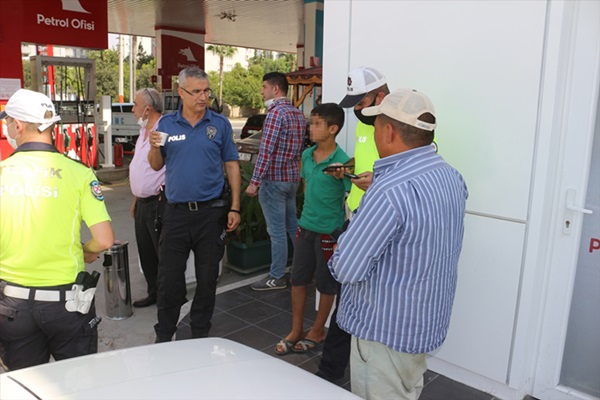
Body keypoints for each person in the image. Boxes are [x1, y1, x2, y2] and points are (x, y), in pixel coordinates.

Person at [329, 88, 468, 400]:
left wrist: (341, 249)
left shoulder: (390, 189)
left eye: (376, 126)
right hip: (423, 321)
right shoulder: (451, 177)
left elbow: (347, 268)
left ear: (388, 131)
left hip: (383, 332)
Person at [0, 89, 114, 370]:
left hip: (12, 305)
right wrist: (85, 251)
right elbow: (104, 240)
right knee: (77, 384)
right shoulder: (80, 173)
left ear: (17, 125)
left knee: (27, 384)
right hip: (68, 303)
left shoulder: (2, 171)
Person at [148, 66, 241, 342]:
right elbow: (155, 166)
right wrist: (154, 147)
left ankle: (200, 332)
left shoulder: (219, 124)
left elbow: (232, 166)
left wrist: (235, 207)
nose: (203, 97)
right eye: (197, 91)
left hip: (210, 215)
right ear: (181, 92)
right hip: (175, 214)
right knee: (168, 281)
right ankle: (164, 334)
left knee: (207, 278)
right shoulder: (165, 124)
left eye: (206, 91)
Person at [317, 67, 390, 383]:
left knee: (369, 304)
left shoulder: (401, 128)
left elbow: (413, 173)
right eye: (355, 103)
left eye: (362, 102)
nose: (358, 109)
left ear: (381, 96)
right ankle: (330, 373)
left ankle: (359, 374)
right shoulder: (368, 127)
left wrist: (377, 182)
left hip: (383, 227)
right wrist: (345, 169)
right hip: (358, 221)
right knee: (346, 302)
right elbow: (366, 161)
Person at [274, 103, 351, 355]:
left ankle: (318, 330)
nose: (311, 127)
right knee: (297, 280)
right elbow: (307, 188)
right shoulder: (307, 156)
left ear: (333, 129)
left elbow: (353, 199)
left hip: (329, 232)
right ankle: (296, 330)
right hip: (304, 228)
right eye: (311, 122)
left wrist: (344, 234)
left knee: (326, 284)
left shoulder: (343, 163)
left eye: (317, 123)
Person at [246, 72, 306, 291]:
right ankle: (302, 269)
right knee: (293, 227)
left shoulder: (275, 114)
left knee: (277, 231)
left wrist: (254, 181)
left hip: (273, 181)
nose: (261, 91)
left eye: (264, 87)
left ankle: (277, 276)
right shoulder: (297, 114)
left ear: (275, 89)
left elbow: (266, 151)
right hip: (291, 180)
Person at [129, 88, 165, 308]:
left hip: (158, 203)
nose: (132, 110)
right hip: (142, 203)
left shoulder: (163, 130)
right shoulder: (144, 131)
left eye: (135, 105)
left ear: (147, 109)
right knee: (147, 253)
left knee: (163, 254)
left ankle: (171, 298)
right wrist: (135, 200)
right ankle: (154, 293)